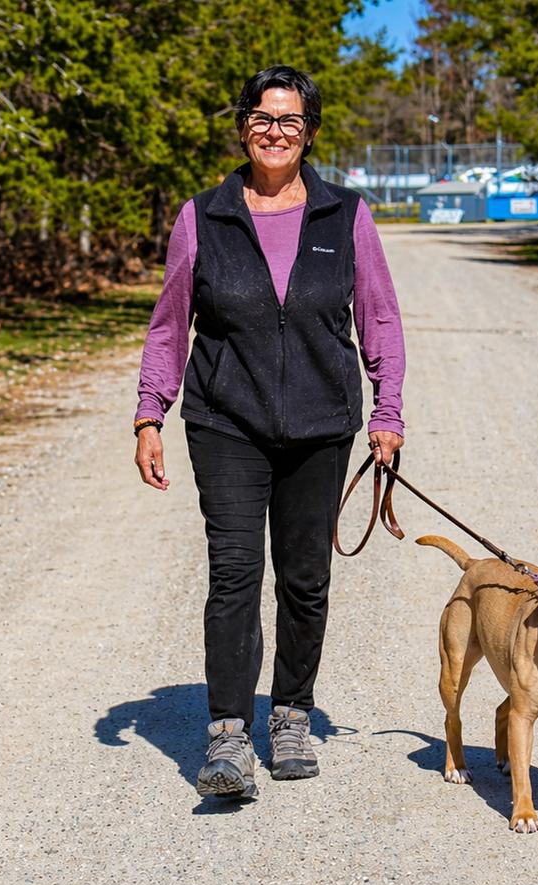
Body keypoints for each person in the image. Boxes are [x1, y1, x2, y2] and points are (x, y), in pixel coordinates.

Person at [133, 65, 405, 799]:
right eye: (262, 117)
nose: (274, 131)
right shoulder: (203, 215)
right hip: (225, 420)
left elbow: (377, 316)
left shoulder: (345, 216)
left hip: (320, 424)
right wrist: (148, 411)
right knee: (233, 573)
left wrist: (387, 411)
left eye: (289, 121)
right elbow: (170, 321)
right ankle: (226, 733)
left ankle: (289, 712)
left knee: (306, 578)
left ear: (309, 131)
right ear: (243, 126)